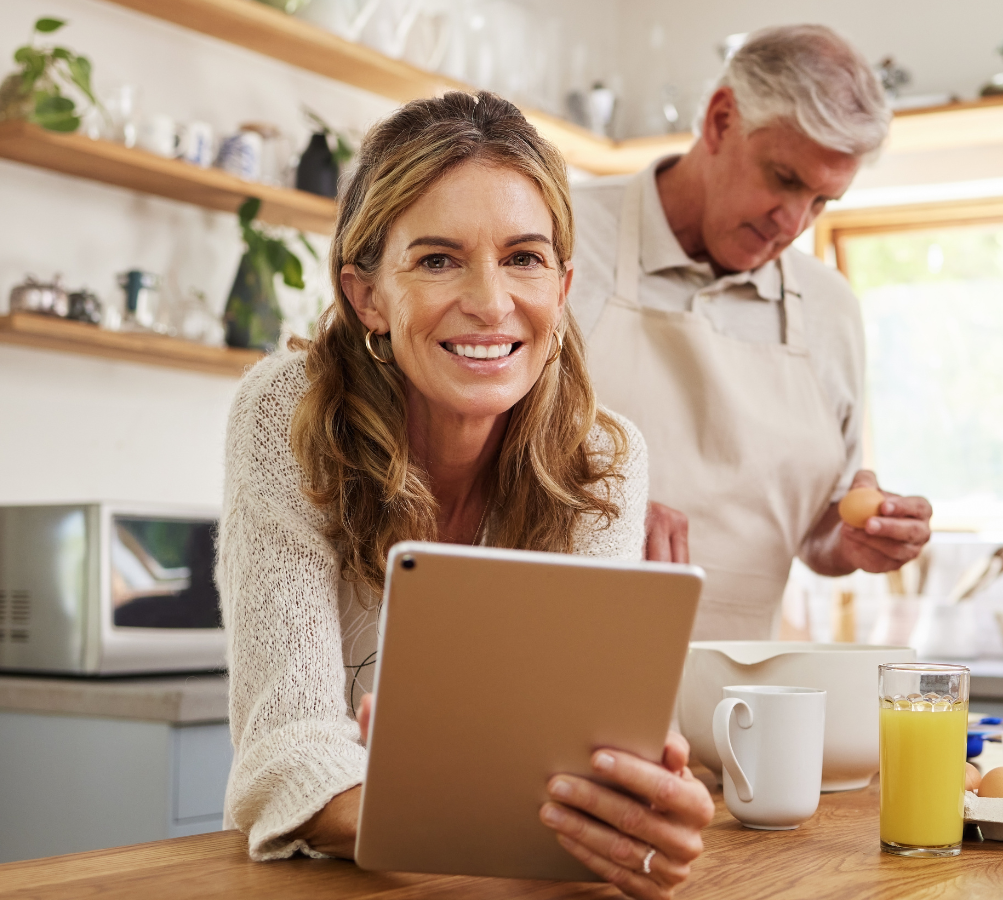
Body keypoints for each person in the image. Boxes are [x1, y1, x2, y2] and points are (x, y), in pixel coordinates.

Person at [215, 92, 712, 898]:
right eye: (438, 259)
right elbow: (287, 742)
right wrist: (429, 804)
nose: (490, 301)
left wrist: (641, 802)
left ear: (562, 285)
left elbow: (589, 747)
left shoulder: (605, 457)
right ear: (366, 294)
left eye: (524, 257)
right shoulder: (287, 415)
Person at [569, 24, 934, 639]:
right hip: (568, 663)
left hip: (741, 697)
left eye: (821, 202)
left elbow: (816, 531)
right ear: (719, 120)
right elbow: (458, 460)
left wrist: (853, 541)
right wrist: (597, 513)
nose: (792, 222)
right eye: (784, 179)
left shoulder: (829, 309)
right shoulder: (557, 240)